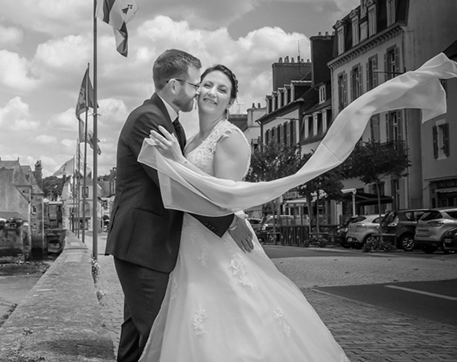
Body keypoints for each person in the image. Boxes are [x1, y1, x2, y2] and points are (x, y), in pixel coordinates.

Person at [138, 64, 350, 361]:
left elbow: (223, 197)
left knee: (239, 318)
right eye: (207, 85)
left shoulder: (229, 137)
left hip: (221, 240)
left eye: (222, 89)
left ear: (230, 101)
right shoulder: (193, 140)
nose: (212, 93)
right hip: (192, 241)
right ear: (197, 90)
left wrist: (178, 162)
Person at [105, 50, 255, 362]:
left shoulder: (171, 124)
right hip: (143, 244)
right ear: (174, 85)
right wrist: (227, 222)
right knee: (156, 338)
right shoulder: (149, 119)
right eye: (196, 84)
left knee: (136, 338)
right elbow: (173, 185)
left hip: (151, 245)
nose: (198, 92)